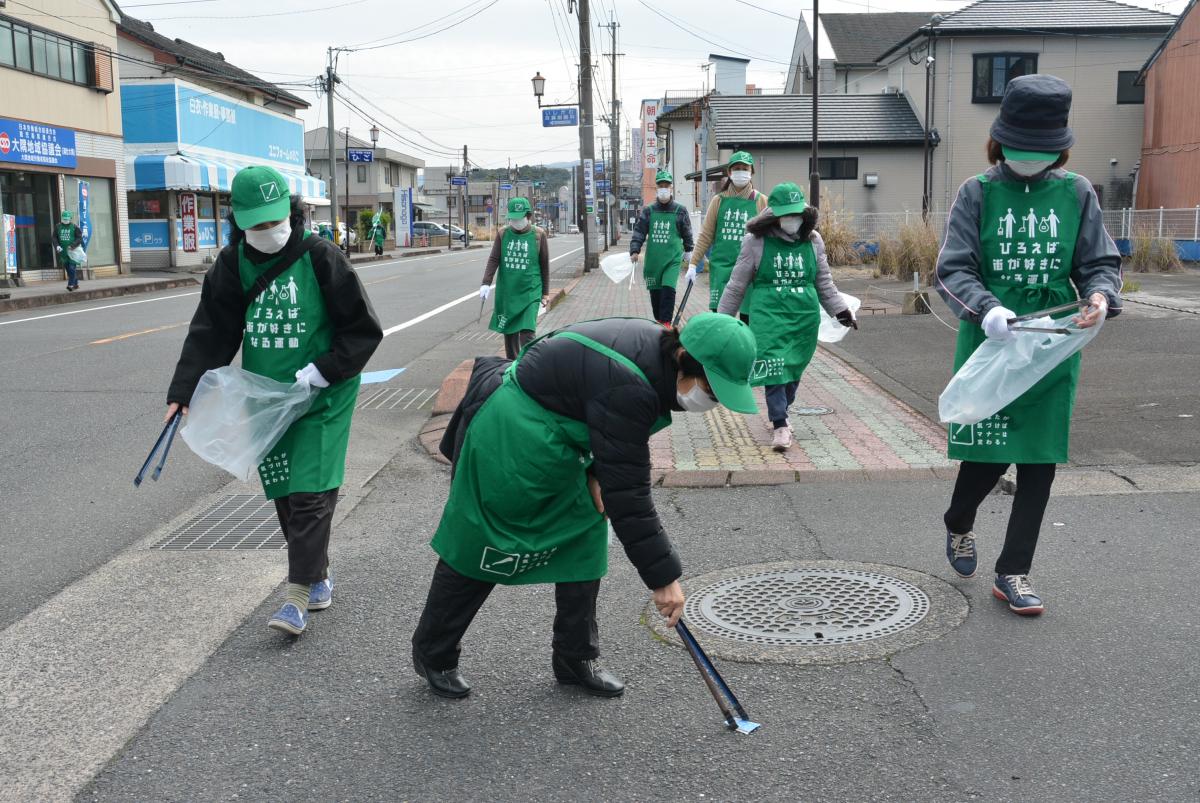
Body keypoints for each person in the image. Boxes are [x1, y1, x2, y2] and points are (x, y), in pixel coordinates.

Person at [412, 313, 759, 699]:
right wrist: (664, 580)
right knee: (487, 543)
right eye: (712, 391)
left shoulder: (655, 351)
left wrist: (595, 470)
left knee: (585, 534)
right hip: (512, 435)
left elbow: (598, 414)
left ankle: (575, 657)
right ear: (682, 358)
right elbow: (630, 496)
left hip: (563, 436)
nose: (710, 402)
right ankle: (434, 652)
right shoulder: (632, 385)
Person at [165, 165, 383, 636]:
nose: (269, 231)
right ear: (239, 222)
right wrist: (183, 392)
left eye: (276, 218)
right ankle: (317, 574)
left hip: (323, 393)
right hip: (267, 396)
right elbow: (212, 331)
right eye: (258, 224)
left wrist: (325, 370)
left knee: (310, 492)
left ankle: (296, 597)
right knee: (286, 491)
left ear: (292, 209)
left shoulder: (322, 256)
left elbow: (363, 328)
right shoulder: (232, 264)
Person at [935, 74, 1121, 616]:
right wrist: (985, 307)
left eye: (1042, 150)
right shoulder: (977, 192)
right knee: (986, 452)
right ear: (999, 141)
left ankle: (1013, 571)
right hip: (992, 335)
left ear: (1060, 148)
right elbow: (953, 266)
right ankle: (959, 522)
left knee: (1039, 460)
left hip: (1051, 343)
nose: (1029, 159)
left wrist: (1100, 298)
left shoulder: (1078, 192)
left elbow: (1099, 263)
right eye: (1020, 147)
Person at [718, 182, 857, 452]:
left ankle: (783, 409)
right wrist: (721, 319)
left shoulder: (814, 241)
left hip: (804, 317)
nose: (792, 220)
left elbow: (824, 282)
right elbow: (736, 285)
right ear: (774, 214)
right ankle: (780, 423)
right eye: (786, 214)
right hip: (768, 316)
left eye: (796, 214)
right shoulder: (755, 241)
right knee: (773, 367)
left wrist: (841, 311)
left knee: (792, 369)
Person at [687, 151, 768, 316]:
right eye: (736, 168)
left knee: (748, 320)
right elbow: (706, 235)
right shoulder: (719, 200)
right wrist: (693, 263)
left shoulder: (761, 200)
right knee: (721, 321)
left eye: (744, 168)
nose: (741, 172)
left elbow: (769, 237)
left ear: (751, 172)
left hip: (751, 271)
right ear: (729, 173)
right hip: (721, 269)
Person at [480, 197, 550, 359]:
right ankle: (512, 364)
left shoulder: (538, 235)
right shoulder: (503, 233)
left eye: (519, 218)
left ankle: (530, 365)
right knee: (509, 332)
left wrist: (545, 293)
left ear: (528, 216)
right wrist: (486, 283)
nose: (516, 221)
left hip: (530, 291)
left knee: (527, 333)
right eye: (513, 218)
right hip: (508, 292)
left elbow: (544, 265)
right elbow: (494, 259)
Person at [630, 170, 694, 325]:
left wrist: (689, 249)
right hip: (654, 261)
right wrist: (635, 250)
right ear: (657, 188)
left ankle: (666, 324)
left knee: (668, 289)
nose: (664, 188)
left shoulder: (680, 211)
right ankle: (659, 321)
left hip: (672, 259)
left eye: (667, 185)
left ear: (671, 188)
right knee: (656, 295)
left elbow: (687, 231)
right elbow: (639, 231)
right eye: (661, 185)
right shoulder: (649, 211)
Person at [55, 210, 83, 291]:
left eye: (67, 219)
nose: (65, 221)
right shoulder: (58, 227)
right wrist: (57, 246)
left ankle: (70, 285)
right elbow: (54, 237)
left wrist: (72, 245)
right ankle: (76, 284)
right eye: (64, 219)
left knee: (71, 267)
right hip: (63, 252)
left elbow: (79, 238)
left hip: (73, 251)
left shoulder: (75, 227)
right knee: (68, 269)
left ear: (70, 219)